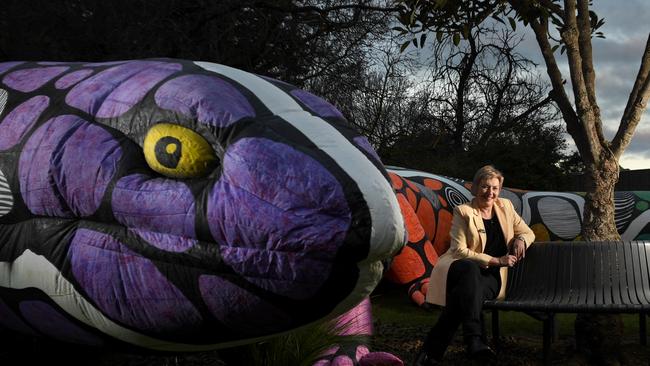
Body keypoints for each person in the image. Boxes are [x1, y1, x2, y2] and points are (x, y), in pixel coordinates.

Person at [414, 165, 535, 366]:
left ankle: (431, 354)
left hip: (491, 278)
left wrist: (521, 239)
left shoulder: (505, 207)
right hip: (459, 268)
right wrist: (496, 260)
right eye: (485, 187)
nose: (490, 193)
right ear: (476, 187)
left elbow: (528, 232)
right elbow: (459, 250)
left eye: (495, 188)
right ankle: (474, 339)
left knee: (462, 297)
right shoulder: (464, 212)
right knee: (469, 270)